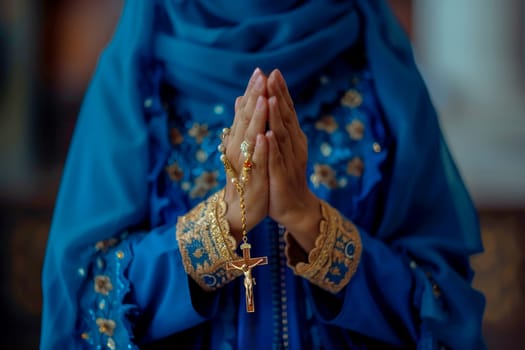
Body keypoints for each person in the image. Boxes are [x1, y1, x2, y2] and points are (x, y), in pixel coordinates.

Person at [40, 0, 486, 349]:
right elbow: (85, 299)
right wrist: (222, 224)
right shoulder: (137, 76)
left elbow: (442, 303)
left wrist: (312, 223)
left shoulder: (379, 74)